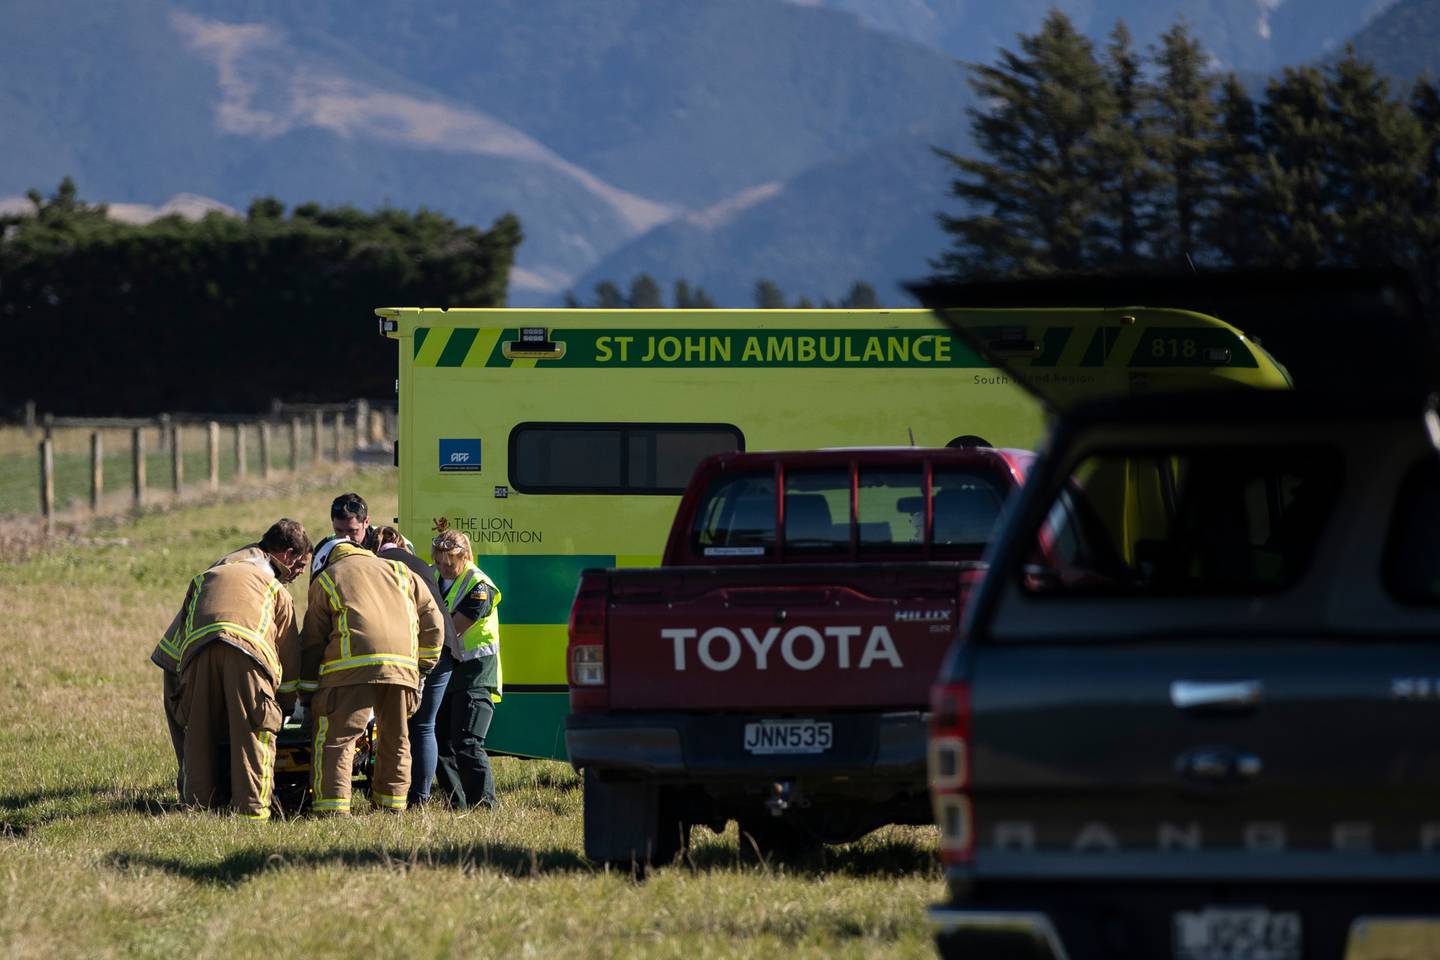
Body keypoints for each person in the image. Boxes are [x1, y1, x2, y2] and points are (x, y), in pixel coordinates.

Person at [151, 522, 309, 800]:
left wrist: (180, 688)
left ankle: (199, 804)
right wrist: (283, 707)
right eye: (299, 566)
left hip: (196, 651)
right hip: (246, 652)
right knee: (254, 731)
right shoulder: (273, 587)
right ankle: (252, 810)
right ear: (287, 554)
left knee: (199, 733)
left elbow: (181, 629)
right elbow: (290, 653)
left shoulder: (217, 570)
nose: (297, 575)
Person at [300, 538, 445, 814]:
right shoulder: (401, 572)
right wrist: (422, 667)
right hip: (402, 668)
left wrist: (307, 693)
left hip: (349, 669)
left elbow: (312, 643)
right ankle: (392, 804)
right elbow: (434, 620)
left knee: (337, 739)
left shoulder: (329, 579)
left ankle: (332, 808)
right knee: (396, 737)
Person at [373, 525, 459, 806]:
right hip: (444, 648)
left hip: (419, 647)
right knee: (426, 725)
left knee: (412, 724)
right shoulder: (418, 562)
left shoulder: (382, 565)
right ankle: (420, 797)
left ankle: (410, 793)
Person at [430, 530, 504, 809]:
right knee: (439, 741)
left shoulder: (479, 586)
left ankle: (484, 807)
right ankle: (458, 804)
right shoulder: (436, 577)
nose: (444, 568)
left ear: (465, 556)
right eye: (439, 562)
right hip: (448, 671)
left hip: (475, 673)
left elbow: (452, 630)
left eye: (450, 562)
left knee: (467, 742)